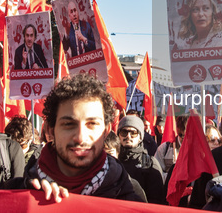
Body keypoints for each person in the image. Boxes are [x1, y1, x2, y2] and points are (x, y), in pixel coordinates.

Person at [14, 73, 144, 202]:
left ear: (106, 130)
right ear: (50, 130)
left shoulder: (132, 197)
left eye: (92, 124)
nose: (81, 137)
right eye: (69, 124)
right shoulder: (15, 193)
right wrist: (31, 200)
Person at [117, 115, 165, 204]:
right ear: (119, 135)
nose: (128, 136)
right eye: (124, 132)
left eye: (133, 133)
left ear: (140, 137)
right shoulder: (113, 161)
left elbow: (156, 199)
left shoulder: (148, 162)